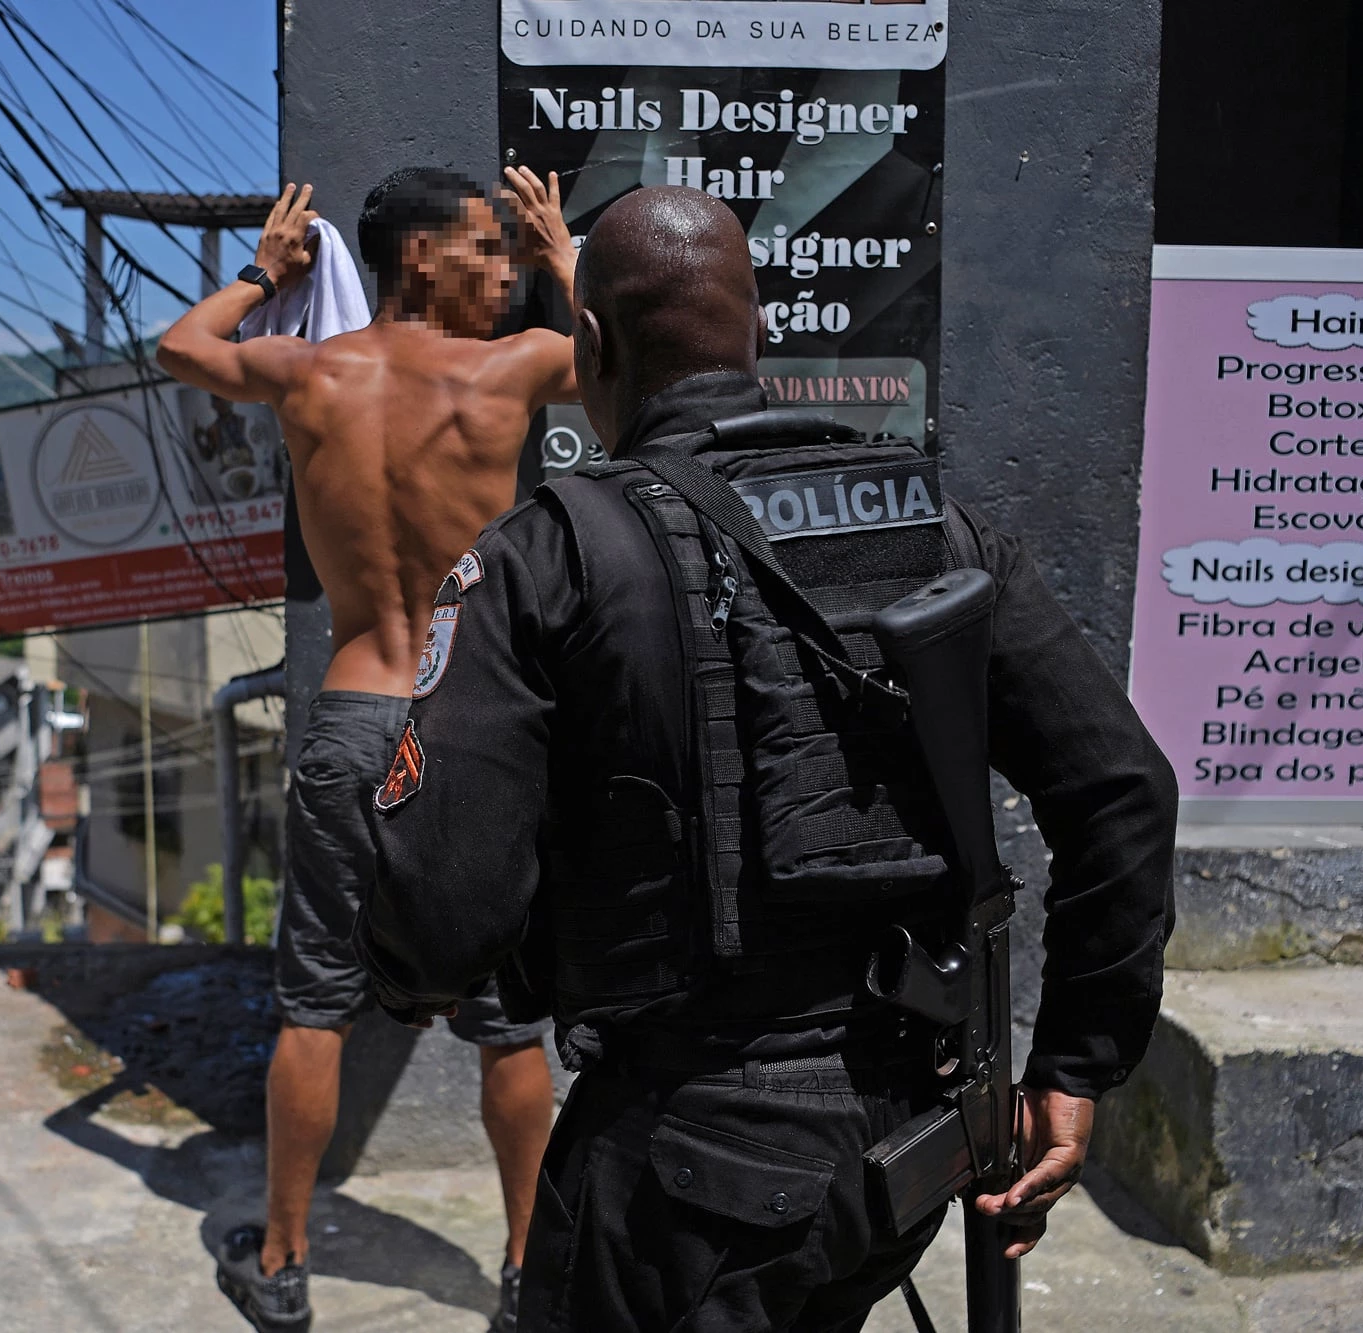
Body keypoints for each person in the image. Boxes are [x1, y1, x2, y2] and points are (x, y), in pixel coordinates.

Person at [353, 186, 1179, 1330]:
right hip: (902, 1148)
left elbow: (436, 910)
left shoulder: (548, 554)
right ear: (757, 336)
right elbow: (1123, 791)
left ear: (588, 343)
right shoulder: (930, 524)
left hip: (680, 1170)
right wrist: (1075, 1065)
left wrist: (417, 974)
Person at [155, 165, 583, 1333]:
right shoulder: (512, 370)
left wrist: (262, 271)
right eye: (486, 252)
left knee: (314, 1004)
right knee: (506, 1014)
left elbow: (181, 349)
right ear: (420, 260)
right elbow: (628, 360)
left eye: (511, 255)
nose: (503, 273)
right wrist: (563, 256)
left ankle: (281, 1262)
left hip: (353, 713)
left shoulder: (309, 376)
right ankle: (523, 1269)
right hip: (475, 726)